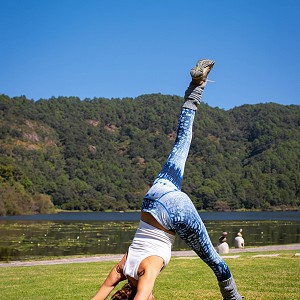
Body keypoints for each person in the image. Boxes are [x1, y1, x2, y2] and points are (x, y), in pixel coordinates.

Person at [91, 59, 243, 300]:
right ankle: (197, 86)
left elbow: (143, 295)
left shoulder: (145, 272)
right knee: (182, 141)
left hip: (173, 212)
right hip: (154, 197)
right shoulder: (121, 268)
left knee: (215, 261)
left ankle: (234, 298)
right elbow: (99, 296)